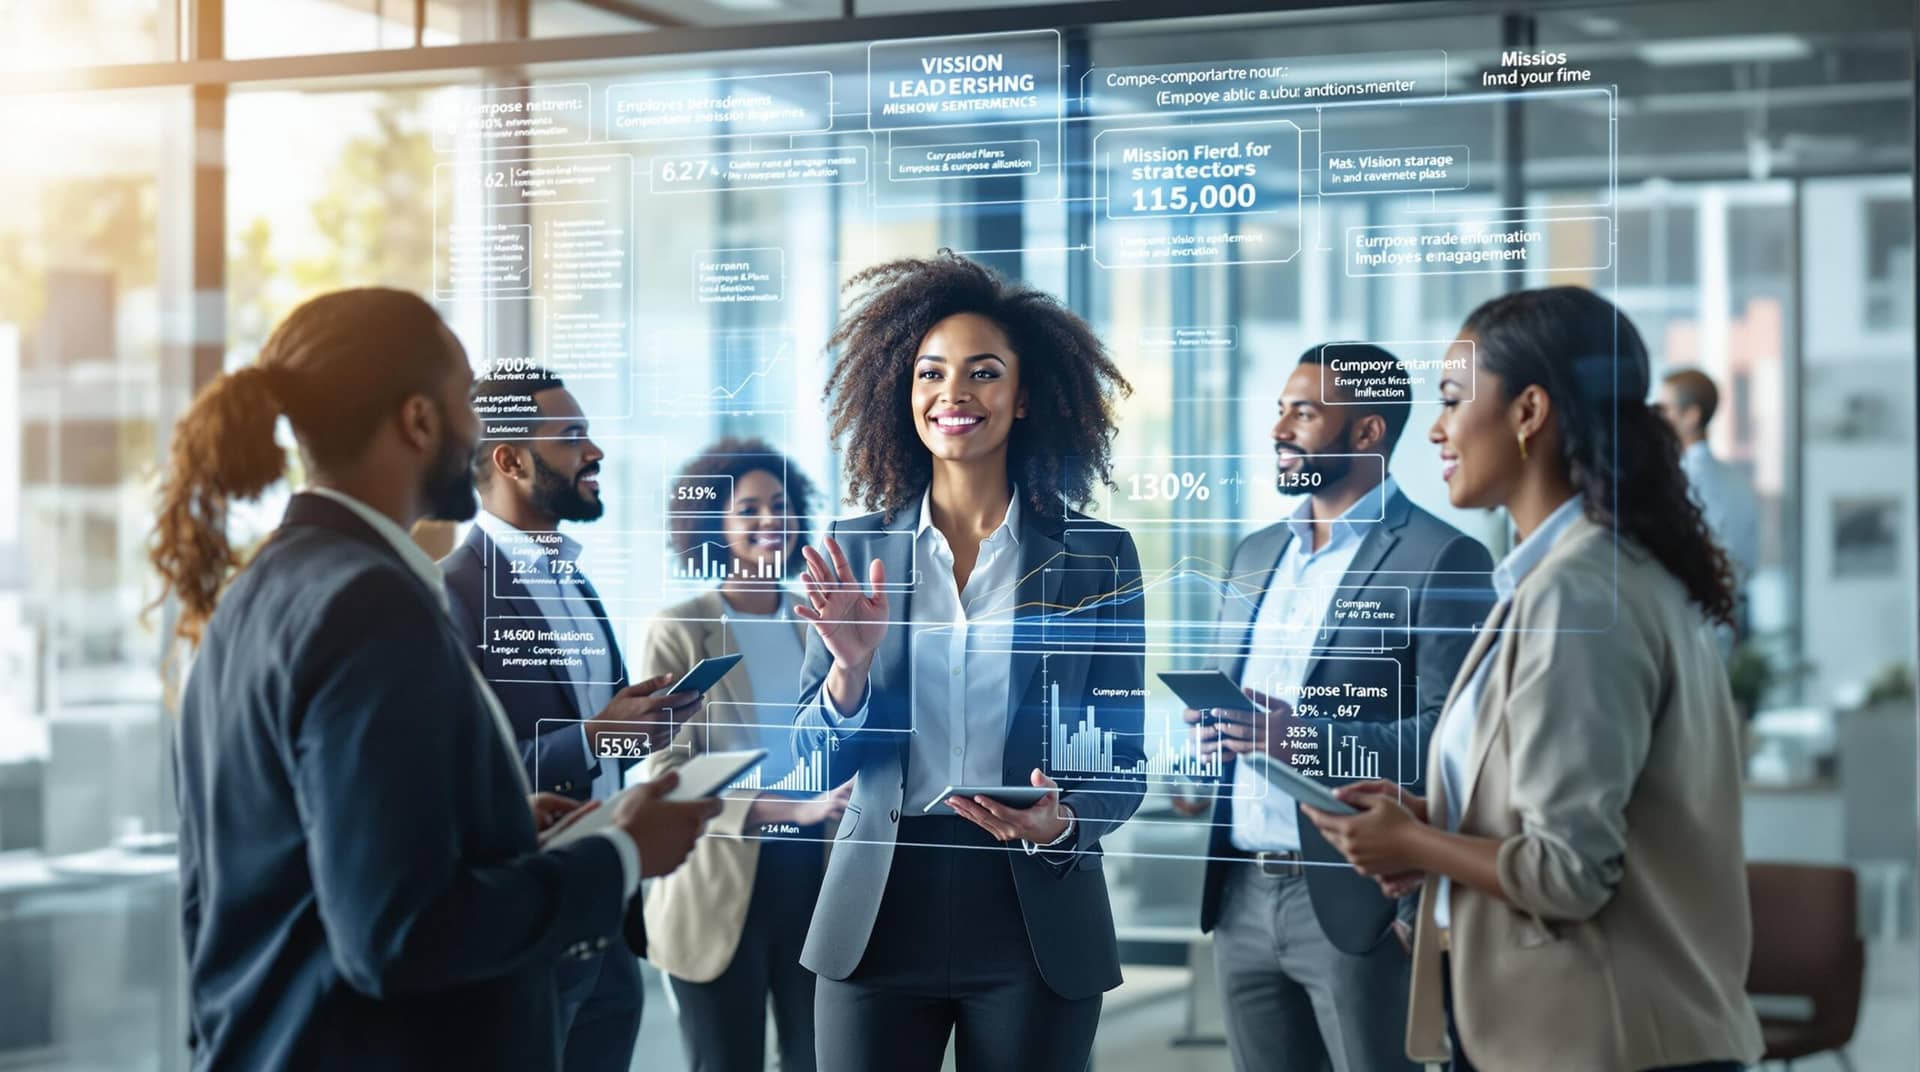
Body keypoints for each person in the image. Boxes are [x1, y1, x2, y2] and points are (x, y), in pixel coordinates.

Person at [155, 288, 719, 1070]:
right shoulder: (370, 605)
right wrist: (621, 854)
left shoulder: (266, 589)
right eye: (465, 405)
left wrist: (500, 825)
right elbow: (398, 934)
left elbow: (298, 867)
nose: (477, 436)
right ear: (419, 421)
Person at [1305, 286, 1765, 1072]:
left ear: (1528, 413)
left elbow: (1569, 872)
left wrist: (1412, 839)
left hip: (1600, 1039)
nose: (1439, 431)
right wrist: (1432, 830)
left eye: (1452, 400)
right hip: (1575, 1030)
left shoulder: (1578, 593)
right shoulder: (1574, 577)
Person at [790, 253, 1145, 1072]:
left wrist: (1065, 822)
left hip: (1033, 912)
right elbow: (811, 763)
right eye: (931, 374)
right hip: (874, 910)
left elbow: (1122, 760)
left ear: (1024, 397)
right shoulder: (854, 549)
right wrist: (848, 671)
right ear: (902, 394)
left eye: (983, 374)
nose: (953, 395)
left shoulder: (1096, 557)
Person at [1182, 343, 1493, 1072]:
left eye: (1305, 411)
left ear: (1366, 434)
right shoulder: (1256, 553)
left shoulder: (1444, 559)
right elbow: (1239, 711)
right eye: (1281, 409)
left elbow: (1458, 743)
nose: (1279, 429)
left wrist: (1306, 739)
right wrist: (1197, 767)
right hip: (1241, 897)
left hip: (1363, 903)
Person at [441, 369, 701, 1072]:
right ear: (509, 460)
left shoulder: (576, 581)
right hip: (527, 921)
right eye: (571, 437)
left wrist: (642, 722)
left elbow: (602, 739)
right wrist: (594, 738)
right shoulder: (452, 595)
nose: (595, 453)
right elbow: (459, 779)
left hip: (604, 917)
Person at [639, 437, 851, 1072]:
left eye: (782, 506)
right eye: (750, 508)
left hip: (814, 878)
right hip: (714, 880)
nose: (770, 522)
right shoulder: (679, 630)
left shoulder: (818, 624)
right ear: (715, 525)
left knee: (818, 1059)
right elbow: (666, 774)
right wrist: (799, 807)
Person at [1656, 368, 1760, 588]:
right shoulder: (1739, 483)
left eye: (1665, 410)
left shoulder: (1679, 482)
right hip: (1728, 612)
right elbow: (1750, 564)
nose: (1658, 419)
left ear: (1691, 416)